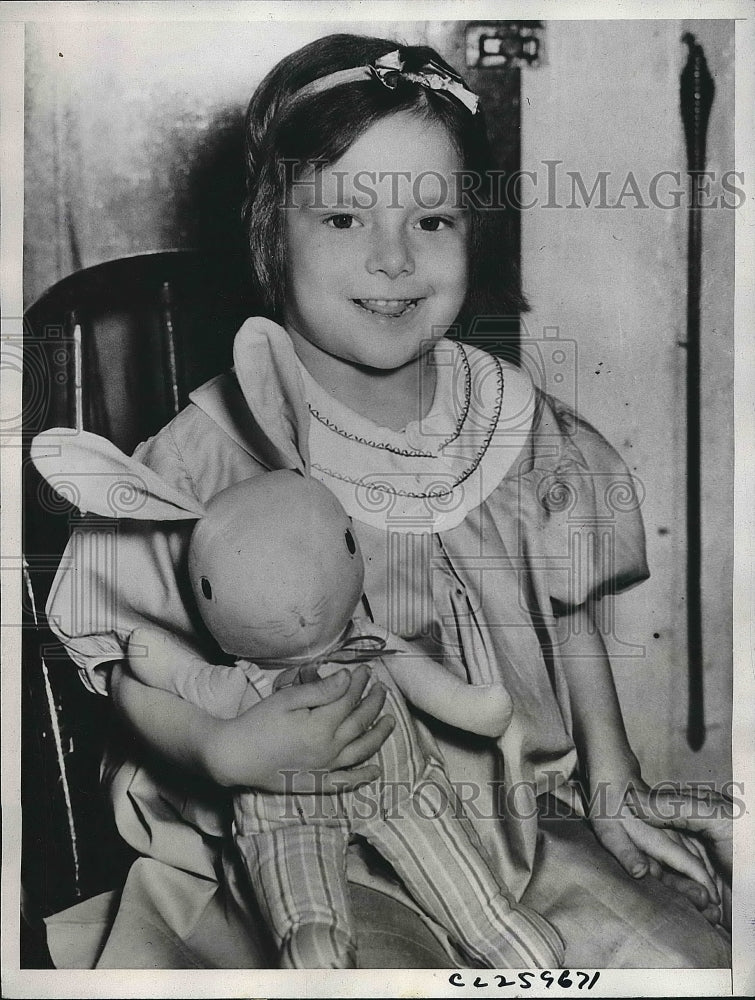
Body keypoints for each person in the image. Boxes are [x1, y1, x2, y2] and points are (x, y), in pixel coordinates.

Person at [42, 34, 731, 969]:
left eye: (432, 220)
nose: (394, 259)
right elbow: (135, 661)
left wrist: (610, 780)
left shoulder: (511, 420)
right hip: (296, 853)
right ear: (268, 232)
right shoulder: (203, 459)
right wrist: (218, 750)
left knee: (678, 960)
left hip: (515, 831)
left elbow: (568, 610)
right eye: (342, 220)